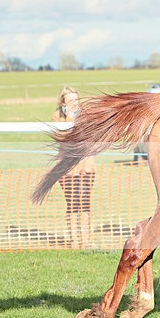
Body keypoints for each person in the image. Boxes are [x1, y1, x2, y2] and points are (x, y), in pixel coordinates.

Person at [52, 86, 96, 249]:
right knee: (72, 203)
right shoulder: (57, 117)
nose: (74, 103)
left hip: (86, 165)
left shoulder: (86, 115)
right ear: (63, 103)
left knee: (85, 202)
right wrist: (70, 119)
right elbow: (63, 138)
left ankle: (85, 240)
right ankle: (74, 240)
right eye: (70, 100)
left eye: (76, 100)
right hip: (66, 168)